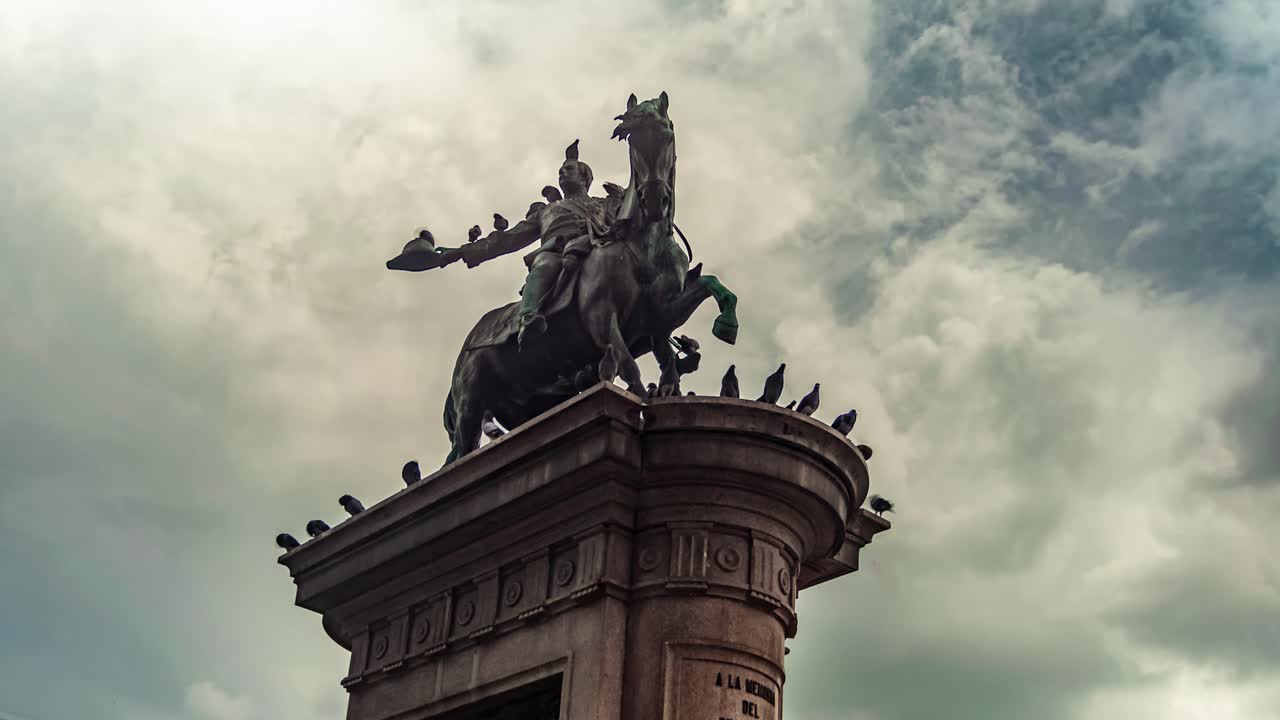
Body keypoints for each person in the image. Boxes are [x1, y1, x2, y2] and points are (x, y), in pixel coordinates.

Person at [447, 140, 617, 346]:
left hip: (595, 247)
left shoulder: (603, 204)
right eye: (560, 172)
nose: (562, 174)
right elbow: (508, 239)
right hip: (556, 252)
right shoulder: (546, 211)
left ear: (584, 177)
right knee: (544, 266)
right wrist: (464, 251)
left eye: (568, 170)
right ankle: (528, 316)